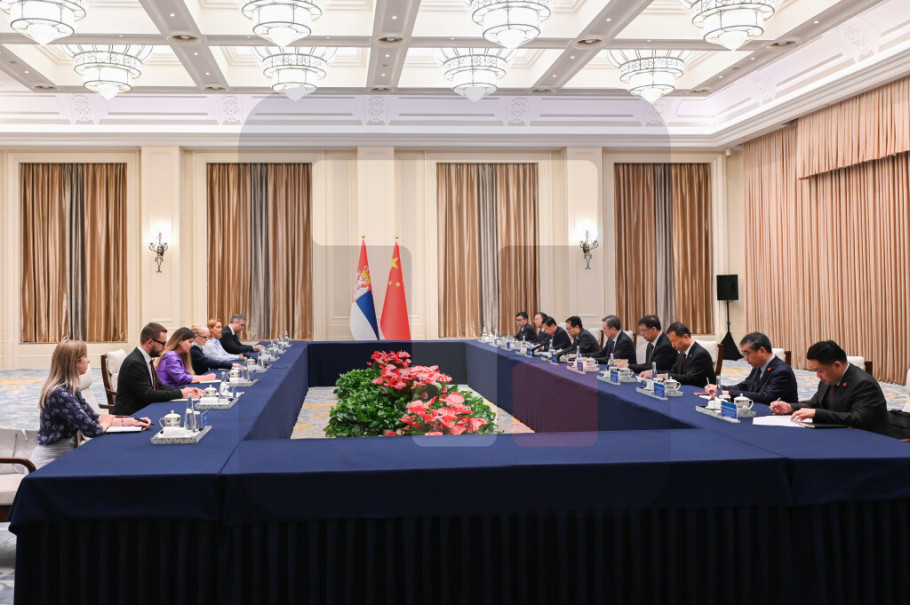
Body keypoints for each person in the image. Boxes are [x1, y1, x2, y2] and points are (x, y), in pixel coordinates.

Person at [32, 340, 151, 469]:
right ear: (74, 362)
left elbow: (95, 418)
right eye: (85, 356)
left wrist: (133, 421)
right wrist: (104, 422)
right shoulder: (59, 394)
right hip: (48, 463)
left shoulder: (72, 389)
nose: (88, 361)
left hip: (64, 455)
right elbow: (93, 429)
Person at [770, 340, 890, 435]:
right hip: (838, 433)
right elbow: (815, 403)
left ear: (837, 365)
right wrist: (790, 407)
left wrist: (817, 414)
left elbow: (857, 418)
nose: (818, 376)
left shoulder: (863, 384)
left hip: (865, 439)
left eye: (820, 370)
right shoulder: (829, 378)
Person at [114, 323, 204, 416]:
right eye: (163, 343)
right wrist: (181, 393)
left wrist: (186, 389)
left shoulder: (146, 359)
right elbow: (148, 395)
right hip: (131, 415)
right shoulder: (135, 362)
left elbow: (160, 386)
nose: (165, 347)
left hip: (145, 409)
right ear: (150, 342)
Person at [706, 332, 797, 403]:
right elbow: (744, 386)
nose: (745, 359)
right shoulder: (758, 365)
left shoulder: (781, 371)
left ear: (761, 350)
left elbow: (767, 397)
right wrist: (720, 389)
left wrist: (729, 393)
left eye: (747, 354)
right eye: (744, 355)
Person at [641, 322, 716, 386]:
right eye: (671, 342)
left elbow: (690, 378)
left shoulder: (700, 355)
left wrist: (665, 376)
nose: (672, 345)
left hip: (700, 392)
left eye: (674, 341)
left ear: (685, 337)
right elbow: (672, 372)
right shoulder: (682, 353)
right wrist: (654, 373)